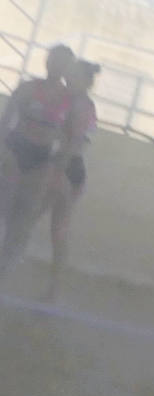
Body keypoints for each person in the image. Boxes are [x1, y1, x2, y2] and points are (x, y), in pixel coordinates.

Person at [0, 43, 75, 283]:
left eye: (62, 62)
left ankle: (4, 270)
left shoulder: (70, 100)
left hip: (42, 160)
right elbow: (6, 120)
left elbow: (71, 138)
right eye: (54, 60)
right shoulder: (28, 88)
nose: (56, 66)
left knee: (23, 219)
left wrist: (58, 169)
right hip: (15, 150)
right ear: (47, 61)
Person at [40, 60, 100, 301]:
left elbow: (75, 141)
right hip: (64, 167)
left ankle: (54, 288)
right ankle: (53, 288)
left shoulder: (82, 104)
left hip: (65, 168)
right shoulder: (71, 99)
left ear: (86, 81)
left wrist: (58, 171)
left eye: (73, 75)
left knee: (51, 228)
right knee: (54, 230)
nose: (68, 78)